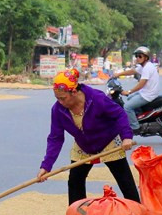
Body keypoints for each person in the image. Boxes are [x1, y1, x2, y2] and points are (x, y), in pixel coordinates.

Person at [37, 68, 139, 205]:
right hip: (83, 145)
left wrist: (126, 136)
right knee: (75, 181)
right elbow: (56, 138)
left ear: (73, 92)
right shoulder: (57, 110)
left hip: (107, 142)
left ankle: (136, 210)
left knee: (124, 179)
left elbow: (119, 114)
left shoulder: (96, 98)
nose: (60, 102)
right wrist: (46, 166)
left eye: (63, 98)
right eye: (57, 99)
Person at [114, 45, 160, 133]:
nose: (137, 58)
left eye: (140, 56)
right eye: (136, 56)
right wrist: (118, 74)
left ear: (146, 57)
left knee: (127, 107)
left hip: (147, 95)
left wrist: (129, 91)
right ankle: (140, 117)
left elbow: (141, 84)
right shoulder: (143, 66)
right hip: (146, 92)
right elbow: (132, 71)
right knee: (129, 98)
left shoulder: (147, 68)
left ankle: (135, 127)